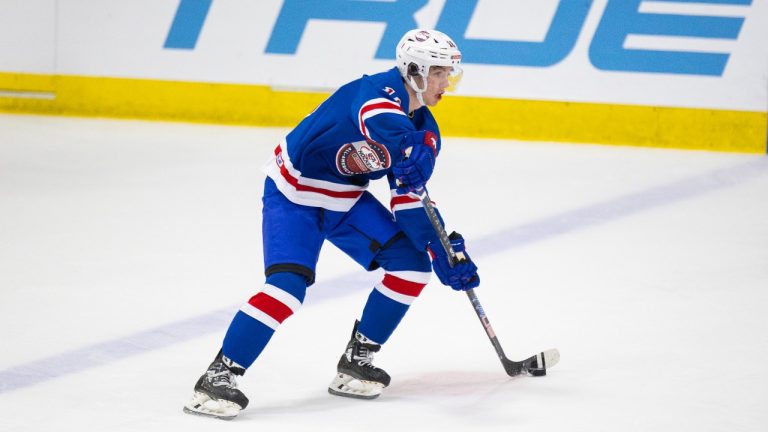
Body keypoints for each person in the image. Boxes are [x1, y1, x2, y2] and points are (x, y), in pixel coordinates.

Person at [183, 28, 480, 420]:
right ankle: (216, 379)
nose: (447, 84)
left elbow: (409, 200)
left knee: (411, 267)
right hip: (295, 198)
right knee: (287, 289)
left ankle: (357, 360)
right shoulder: (374, 101)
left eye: (449, 74)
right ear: (416, 72)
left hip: (344, 201)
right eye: (440, 73)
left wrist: (440, 251)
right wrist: (412, 154)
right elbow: (381, 125)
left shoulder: (422, 127)